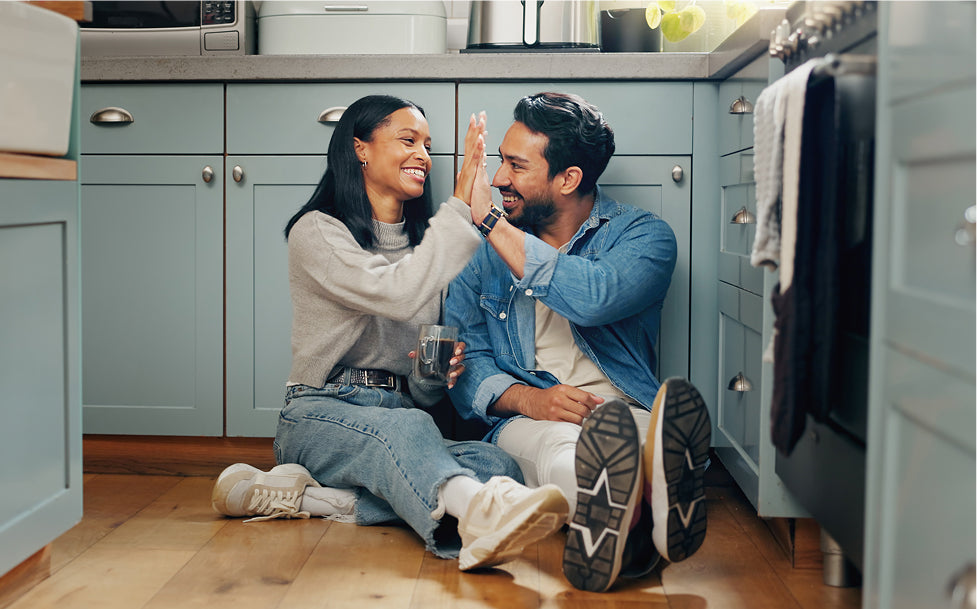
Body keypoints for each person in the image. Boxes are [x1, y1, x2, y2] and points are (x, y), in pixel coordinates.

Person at [210, 94, 569, 571]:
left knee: (498, 466)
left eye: (428, 144)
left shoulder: (429, 249)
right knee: (410, 433)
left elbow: (420, 393)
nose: (424, 155)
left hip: (400, 417)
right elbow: (396, 293)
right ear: (360, 148)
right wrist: (463, 208)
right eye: (408, 140)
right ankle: (477, 516)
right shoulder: (318, 232)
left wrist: (432, 374)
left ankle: (320, 501)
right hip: (320, 414)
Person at [445, 92, 712, 592]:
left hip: (621, 408)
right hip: (528, 418)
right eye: (499, 161)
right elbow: (466, 369)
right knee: (558, 448)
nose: (498, 179)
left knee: (635, 439)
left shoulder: (645, 237)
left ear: (568, 179)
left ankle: (638, 506)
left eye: (515, 166)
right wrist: (533, 399)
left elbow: (593, 296)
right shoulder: (478, 255)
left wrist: (488, 221)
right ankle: (647, 513)